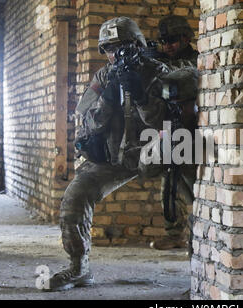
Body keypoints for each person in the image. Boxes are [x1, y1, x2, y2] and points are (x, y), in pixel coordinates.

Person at [44, 16, 172, 292]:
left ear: (138, 45)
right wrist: (108, 98)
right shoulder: (104, 76)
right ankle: (78, 269)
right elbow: (87, 122)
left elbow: (163, 124)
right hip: (115, 159)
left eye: (123, 47)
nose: (117, 55)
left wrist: (140, 96)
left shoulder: (158, 72)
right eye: (110, 49)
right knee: (73, 200)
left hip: (153, 154)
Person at [149, 16, 199, 251]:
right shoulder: (163, 61)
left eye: (171, 40)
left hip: (193, 131)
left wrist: (156, 67)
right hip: (170, 129)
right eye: (162, 41)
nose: (166, 45)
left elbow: (186, 74)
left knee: (193, 186)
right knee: (169, 182)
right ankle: (174, 233)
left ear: (185, 39)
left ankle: (200, 235)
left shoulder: (194, 59)